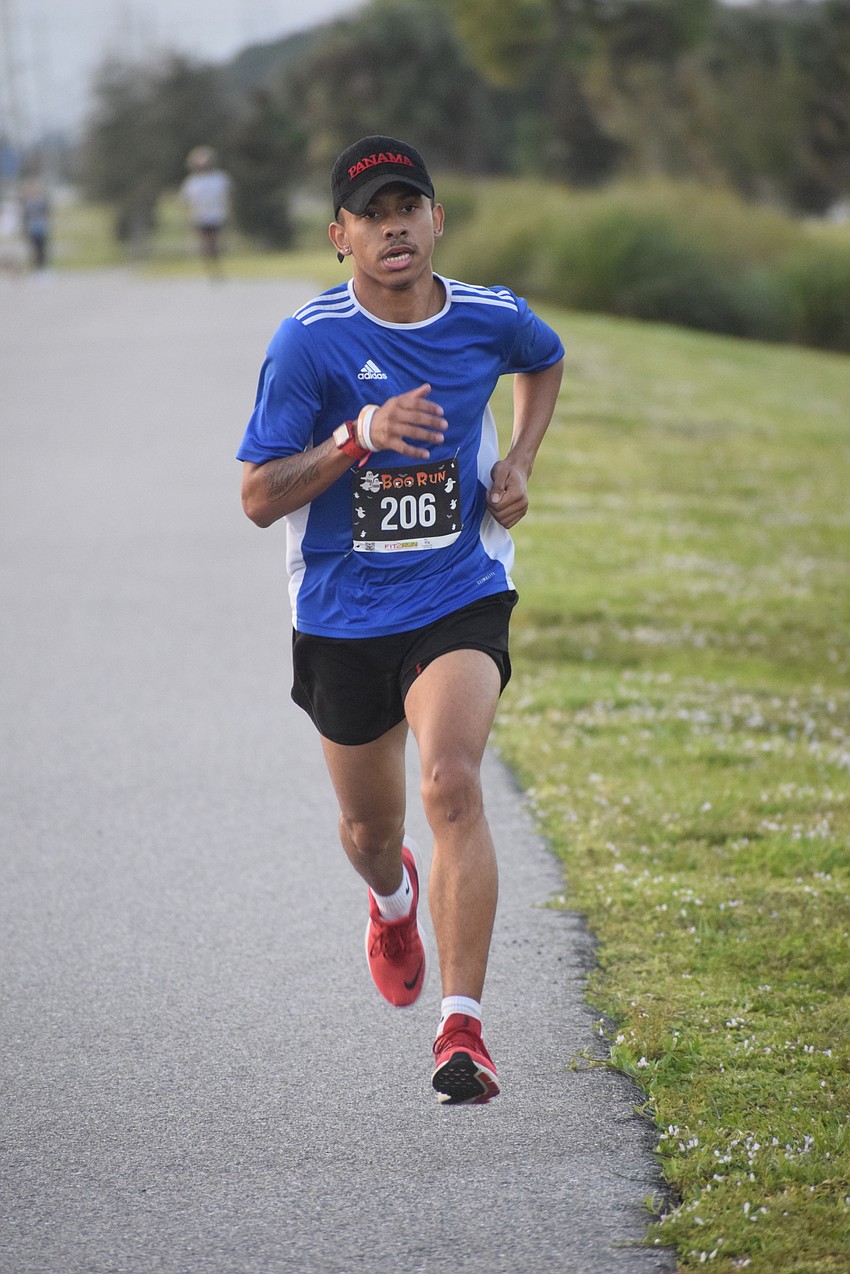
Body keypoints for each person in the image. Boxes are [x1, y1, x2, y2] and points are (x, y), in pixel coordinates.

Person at [237, 136, 564, 1104]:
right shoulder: (309, 342)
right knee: (370, 827)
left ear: (436, 220)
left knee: (451, 781)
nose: (393, 225)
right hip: (341, 610)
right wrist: (356, 435)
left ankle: (460, 1027)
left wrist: (519, 466)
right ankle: (392, 901)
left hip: (456, 588)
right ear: (341, 236)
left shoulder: (489, 317)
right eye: (372, 212)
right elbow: (257, 496)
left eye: (408, 205)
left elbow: (542, 360)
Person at [180, 146, 231, 273]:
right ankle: (210, 266)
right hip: (199, 216)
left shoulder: (219, 178)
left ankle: (215, 265)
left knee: (214, 242)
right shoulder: (192, 181)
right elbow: (185, 199)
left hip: (217, 214)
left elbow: (228, 194)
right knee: (204, 243)